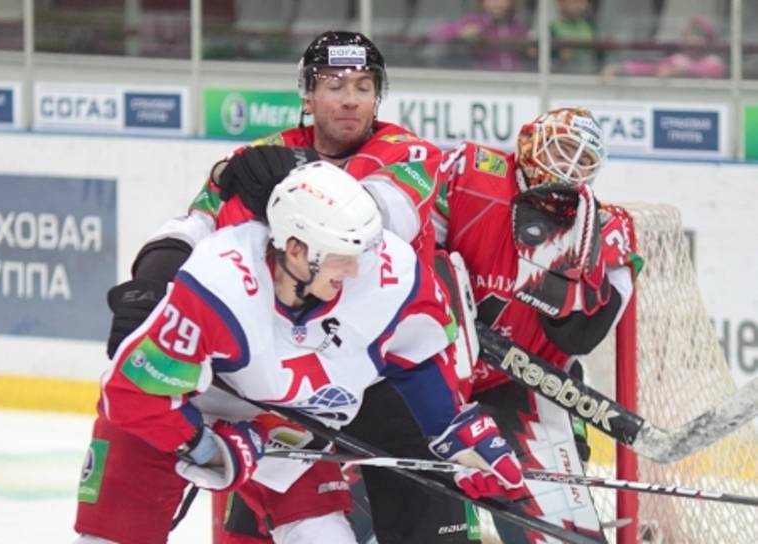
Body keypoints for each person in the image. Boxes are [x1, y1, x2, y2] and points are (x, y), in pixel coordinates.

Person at [98, 29, 481, 544]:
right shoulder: (262, 154)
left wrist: (288, 177)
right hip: (295, 372)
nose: (350, 99)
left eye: (364, 86)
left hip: (386, 370)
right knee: (281, 525)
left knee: (428, 532)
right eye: (334, 85)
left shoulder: (409, 153)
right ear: (307, 95)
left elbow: (373, 219)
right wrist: (151, 284)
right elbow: (199, 227)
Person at [74, 162, 526, 543]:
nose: (355, 270)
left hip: (280, 429)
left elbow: (415, 354)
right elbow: (133, 395)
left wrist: (454, 433)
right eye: (341, 255)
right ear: (294, 249)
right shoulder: (221, 284)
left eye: (362, 251)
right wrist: (209, 450)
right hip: (171, 416)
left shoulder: (385, 273)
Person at [433, 107, 640, 541]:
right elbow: (407, 251)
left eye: (583, 161)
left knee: (556, 535)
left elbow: (581, 338)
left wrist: (576, 283)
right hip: (431, 377)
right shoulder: (469, 171)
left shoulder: (604, 226)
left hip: (525, 385)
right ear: (530, 141)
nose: (569, 168)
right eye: (562, 149)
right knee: (411, 523)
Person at [600, 14, 725, 79]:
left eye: (696, 35)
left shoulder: (715, 62)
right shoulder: (677, 60)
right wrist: (620, 68)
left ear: (708, 40)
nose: (690, 40)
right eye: (687, 35)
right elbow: (650, 68)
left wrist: (682, 72)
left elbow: (711, 72)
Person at [429, 0, 532, 71]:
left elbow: (528, 50)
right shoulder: (474, 21)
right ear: (482, 2)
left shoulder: (518, 25)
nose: (497, 3)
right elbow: (438, 33)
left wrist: (529, 50)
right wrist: (460, 32)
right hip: (484, 77)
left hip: (516, 78)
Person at [550, 0, 598, 74]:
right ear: (560, 2)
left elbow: (599, 55)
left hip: (588, 75)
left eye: (582, 1)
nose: (580, 5)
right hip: (560, 76)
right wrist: (557, 54)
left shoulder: (590, 27)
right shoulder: (551, 27)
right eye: (575, 1)